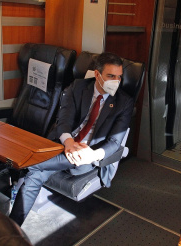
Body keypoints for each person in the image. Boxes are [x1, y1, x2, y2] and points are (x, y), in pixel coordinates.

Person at [9, 52, 134, 226]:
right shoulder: (78, 87)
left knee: (35, 166)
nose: (116, 81)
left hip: (87, 155)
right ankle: (12, 228)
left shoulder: (124, 102)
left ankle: (16, 162)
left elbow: (114, 142)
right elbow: (64, 119)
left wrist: (93, 155)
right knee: (35, 176)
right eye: (110, 76)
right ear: (97, 75)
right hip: (64, 146)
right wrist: (68, 142)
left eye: (119, 77)